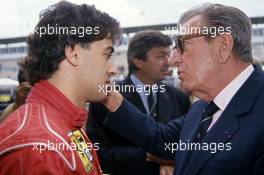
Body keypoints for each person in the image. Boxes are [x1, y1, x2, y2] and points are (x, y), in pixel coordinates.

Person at [101, 3, 264, 175]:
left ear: (222, 46)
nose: (172, 61)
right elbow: (160, 140)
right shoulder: (202, 109)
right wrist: (111, 98)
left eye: (182, 46)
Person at [0, 1, 121, 174]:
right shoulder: (38, 147)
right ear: (73, 53)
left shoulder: (65, 124)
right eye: (107, 54)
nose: (113, 69)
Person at [86, 31, 191, 175]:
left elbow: (188, 145)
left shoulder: (180, 98)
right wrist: (151, 156)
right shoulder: (105, 97)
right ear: (138, 61)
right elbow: (95, 152)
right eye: (161, 56)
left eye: (169, 55)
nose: (169, 62)